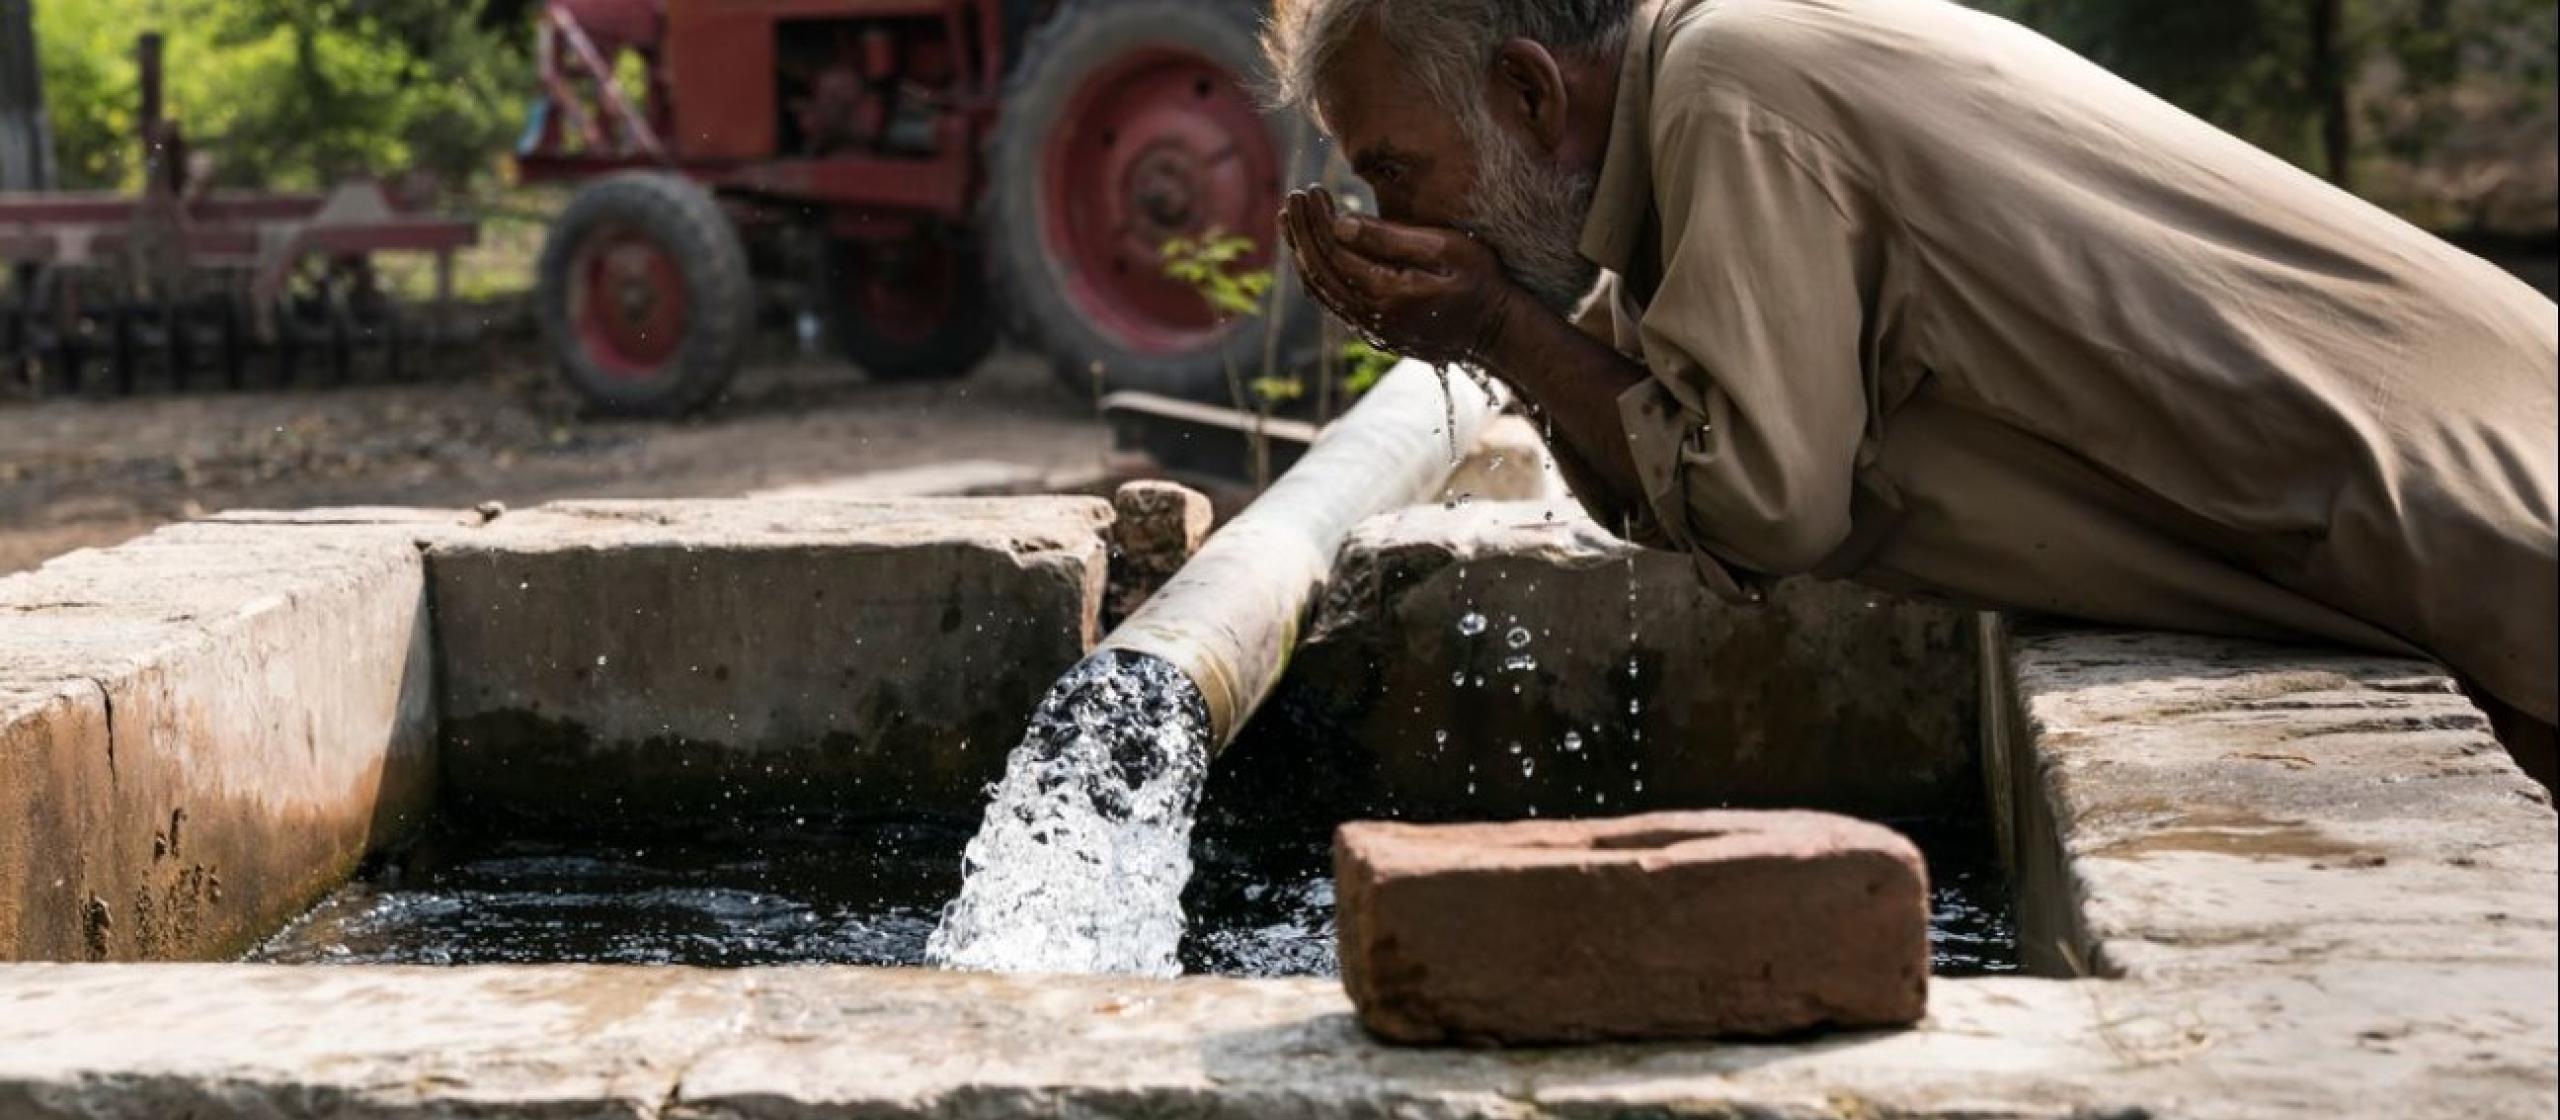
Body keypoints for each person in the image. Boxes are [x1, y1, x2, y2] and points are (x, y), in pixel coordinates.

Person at [1266, 0, 2559, 782]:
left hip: (2481, 524)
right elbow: (1663, 488)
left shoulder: (1732, 95)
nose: (1391, 215)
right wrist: (1504, 333)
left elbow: (1765, 503)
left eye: (1395, 171)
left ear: (1531, 93)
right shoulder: (1694, 115)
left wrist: (1493, 319)